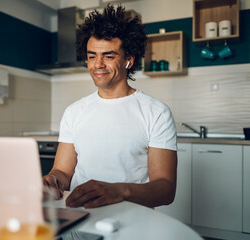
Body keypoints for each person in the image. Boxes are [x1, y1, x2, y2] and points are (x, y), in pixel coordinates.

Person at [43, 4, 177, 209]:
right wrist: (51, 181)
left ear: (128, 61)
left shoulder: (156, 112)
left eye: (108, 56)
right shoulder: (74, 112)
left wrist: (119, 191)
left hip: (133, 219)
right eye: (91, 56)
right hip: (78, 217)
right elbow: (63, 172)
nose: (98, 64)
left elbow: (165, 189)